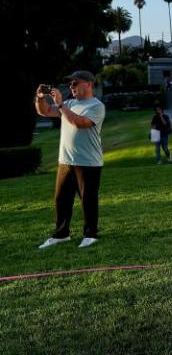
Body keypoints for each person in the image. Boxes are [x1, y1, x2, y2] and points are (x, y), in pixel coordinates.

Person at [35, 71, 106, 249]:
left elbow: (79, 123)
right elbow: (45, 111)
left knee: (88, 200)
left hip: (88, 162)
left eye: (75, 83)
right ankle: (61, 234)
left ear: (89, 84)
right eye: (70, 85)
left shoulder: (96, 106)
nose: (71, 87)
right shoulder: (69, 103)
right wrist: (40, 98)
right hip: (66, 161)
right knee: (61, 199)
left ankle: (90, 235)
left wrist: (60, 104)